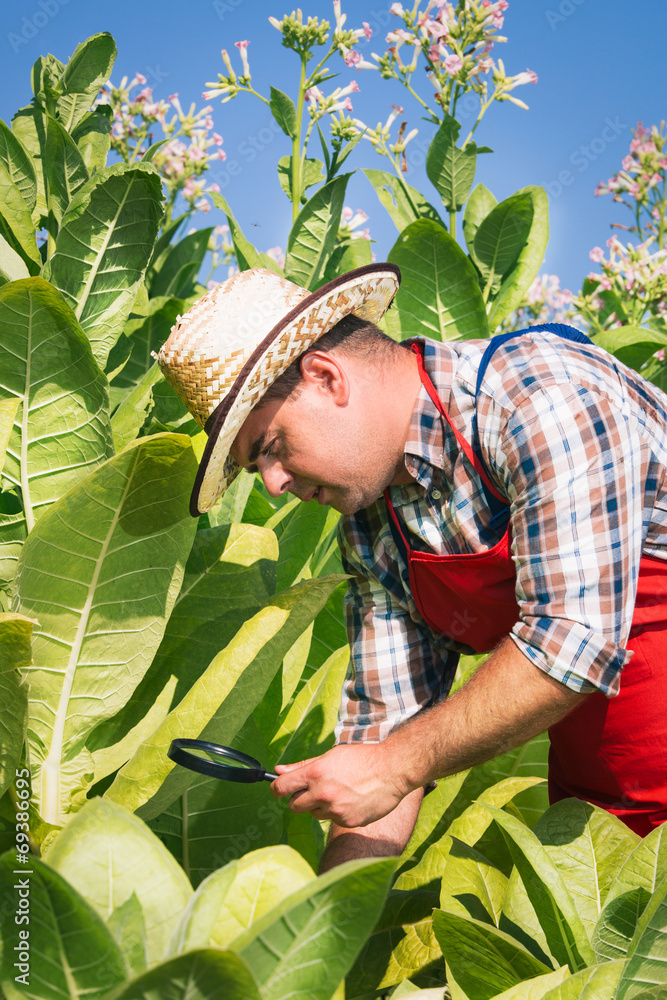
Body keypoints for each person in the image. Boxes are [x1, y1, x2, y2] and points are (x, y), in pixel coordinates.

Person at [157, 262, 667, 872]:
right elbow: (386, 733)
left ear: (325, 377)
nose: (272, 485)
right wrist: (323, 935)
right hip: (608, 813)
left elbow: (571, 643)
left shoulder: (540, 401)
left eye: (271, 447)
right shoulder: (372, 529)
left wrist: (393, 766)